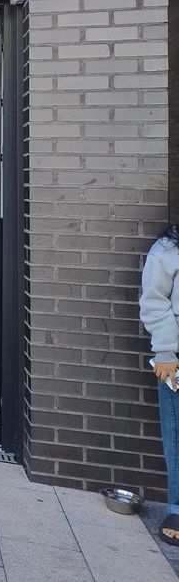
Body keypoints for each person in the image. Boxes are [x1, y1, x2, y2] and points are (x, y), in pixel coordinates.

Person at [139, 224, 179, 545]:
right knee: (176, 436)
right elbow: (154, 300)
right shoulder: (167, 249)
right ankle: (177, 506)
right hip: (175, 360)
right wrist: (165, 349)